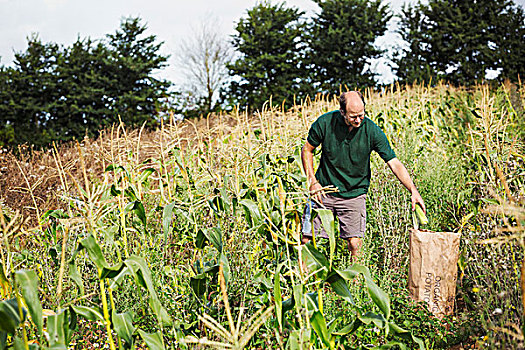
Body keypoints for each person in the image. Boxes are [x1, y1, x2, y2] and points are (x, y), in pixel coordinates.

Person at [301, 90, 425, 261]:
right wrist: (312, 182)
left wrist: (413, 190)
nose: (358, 120)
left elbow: (394, 162)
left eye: (361, 115)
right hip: (323, 191)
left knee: (355, 244)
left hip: (354, 193)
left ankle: (355, 283)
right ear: (342, 112)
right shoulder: (325, 123)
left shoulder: (372, 131)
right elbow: (307, 149)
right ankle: (305, 281)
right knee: (308, 239)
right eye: (353, 116)